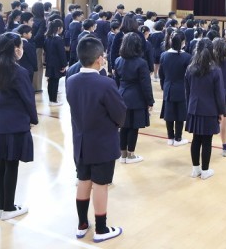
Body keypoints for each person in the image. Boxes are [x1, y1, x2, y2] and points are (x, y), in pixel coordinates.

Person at [66, 37, 126, 242]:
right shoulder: (106, 83)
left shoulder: (71, 80)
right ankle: (101, 229)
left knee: (83, 180)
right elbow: (120, 114)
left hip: (80, 142)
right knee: (100, 184)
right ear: (100, 58)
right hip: (102, 142)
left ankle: (82, 224)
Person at [0, 32, 38, 221]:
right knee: (12, 165)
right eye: (21, 46)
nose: (22, 49)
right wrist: (33, 119)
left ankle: (3, 207)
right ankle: (8, 208)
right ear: (15, 49)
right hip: (15, 121)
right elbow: (28, 99)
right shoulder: (18, 72)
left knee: (2, 164)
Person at [184, 39, 226, 180]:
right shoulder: (215, 70)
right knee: (207, 141)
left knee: (196, 139)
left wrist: (189, 108)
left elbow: (187, 92)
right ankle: (205, 170)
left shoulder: (190, 68)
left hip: (194, 108)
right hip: (210, 110)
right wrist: (221, 111)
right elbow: (219, 94)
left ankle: (195, 169)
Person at [115, 32, 154, 163]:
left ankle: (123, 155)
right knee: (133, 127)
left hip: (121, 95)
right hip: (136, 98)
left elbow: (116, 81)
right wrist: (150, 101)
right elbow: (145, 84)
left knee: (123, 126)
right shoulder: (141, 63)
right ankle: (131, 155)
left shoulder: (118, 60)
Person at [159, 32, 192, 146]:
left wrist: (163, 86)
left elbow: (161, 74)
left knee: (169, 114)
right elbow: (189, 75)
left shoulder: (164, 55)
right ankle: (178, 138)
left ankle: (170, 137)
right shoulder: (187, 57)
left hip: (168, 87)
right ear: (183, 42)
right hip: (182, 89)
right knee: (180, 115)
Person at [44, 19, 67, 106]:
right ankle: (53, 100)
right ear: (58, 28)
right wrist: (64, 64)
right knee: (55, 82)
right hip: (57, 63)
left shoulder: (48, 38)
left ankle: (51, 100)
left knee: (51, 81)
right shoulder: (58, 39)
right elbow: (62, 53)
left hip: (49, 62)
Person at [30, 2, 47, 94]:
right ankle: (36, 86)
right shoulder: (42, 20)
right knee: (38, 65)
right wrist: (33, 41)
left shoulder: (31, 19)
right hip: (37, 45)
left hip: (28, 44)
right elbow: (40, 34)